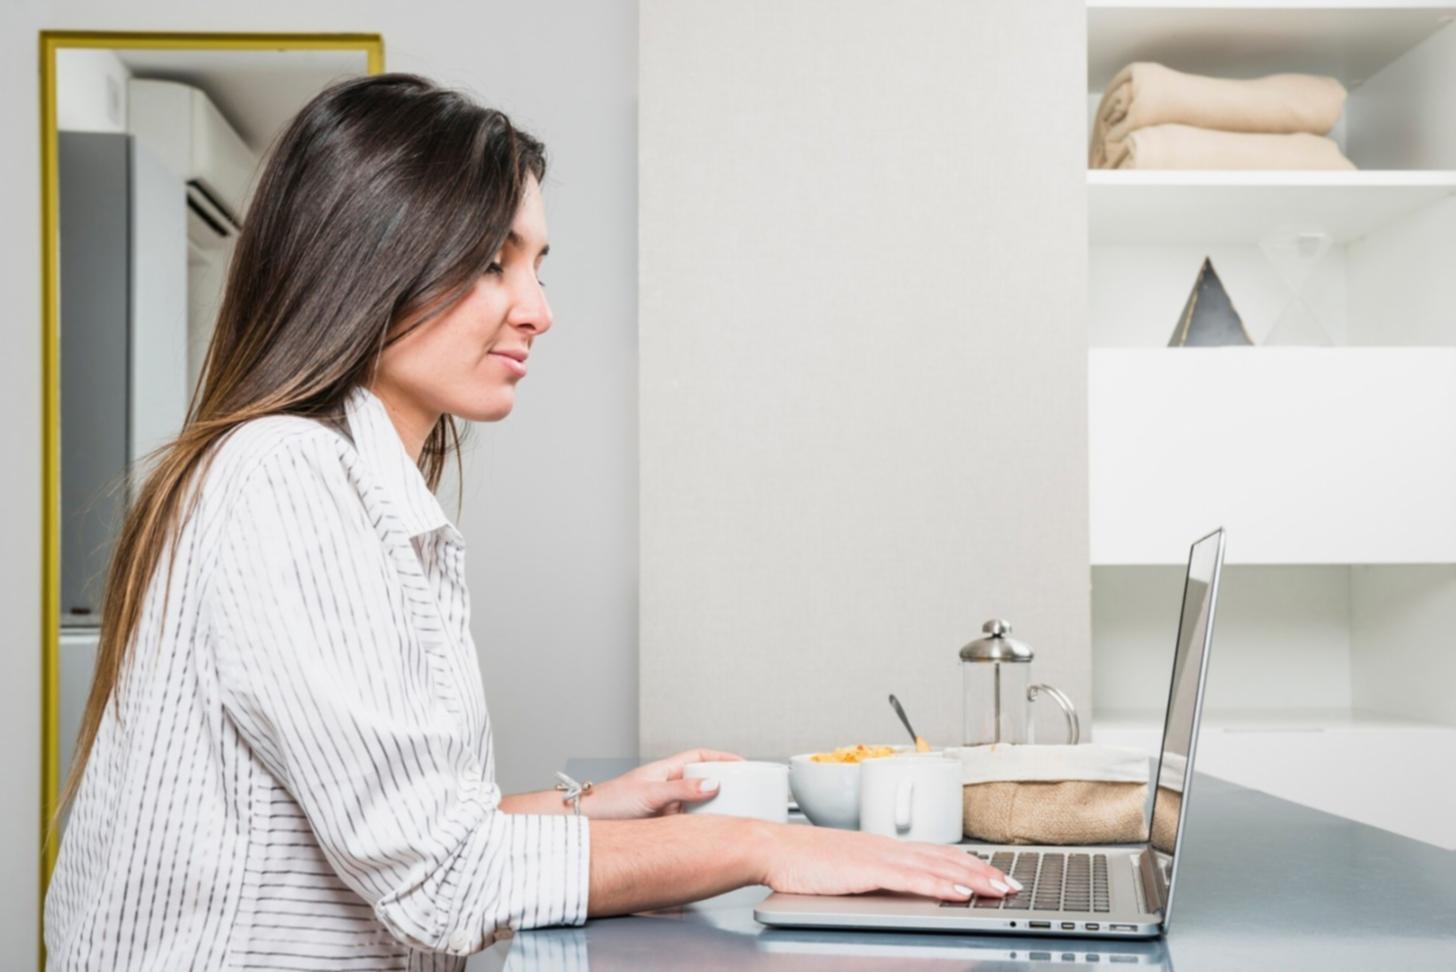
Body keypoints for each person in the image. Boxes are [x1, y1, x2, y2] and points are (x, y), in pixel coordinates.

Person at [43, 74, 1013, 970]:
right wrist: (761, 848)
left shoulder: (349, 483)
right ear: (366, 258)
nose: (538, 310)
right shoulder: (286, 477)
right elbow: (442, 883)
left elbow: (403, 830)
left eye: (537, 266)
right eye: (491, 262)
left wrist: (593, 807)